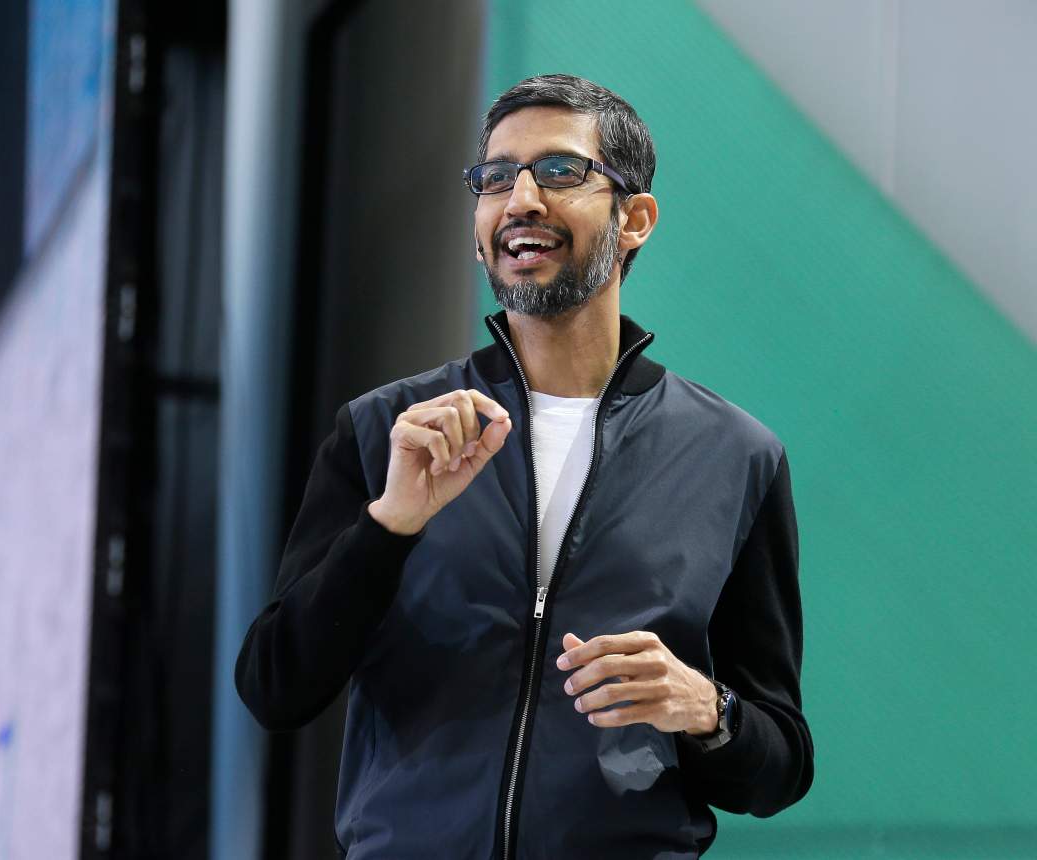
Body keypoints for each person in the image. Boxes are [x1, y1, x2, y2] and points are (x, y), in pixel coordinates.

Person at [237, 74, 813, 859]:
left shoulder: (735, 456)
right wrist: (392, 523)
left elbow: (780, 766)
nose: (521, 200)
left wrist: (707, 709)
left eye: (560, 171)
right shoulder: (385, 433)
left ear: (634, 218)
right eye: (496, 177)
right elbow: (276, 687)